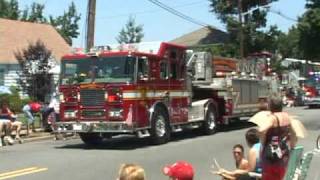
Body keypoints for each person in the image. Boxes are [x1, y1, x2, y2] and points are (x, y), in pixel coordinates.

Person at [259, 98, 297, 180]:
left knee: (268, 176)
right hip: (283, 151)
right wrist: (292, 145)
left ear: (270, 106)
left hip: (271, 152)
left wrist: (263, 143)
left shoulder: (272, 118)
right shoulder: (287, 117)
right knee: (279, 176)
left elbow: (261, 130)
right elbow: (293, 132)